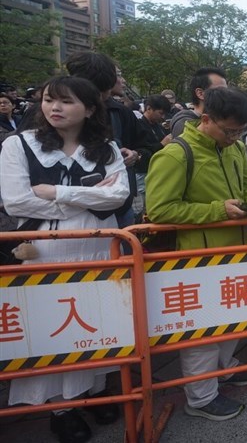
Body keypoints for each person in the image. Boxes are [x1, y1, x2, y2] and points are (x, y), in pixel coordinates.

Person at [0, 76, 130, 443]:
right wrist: (90, 193)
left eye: (66, 102)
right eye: (48, 100)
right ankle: (60, 407)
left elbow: (118, 196)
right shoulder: (18, 145)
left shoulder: (106, 148)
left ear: (89, 109)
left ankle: (94, 390)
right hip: (46, 250)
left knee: (95, 322)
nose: (54, 108)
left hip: (98, 248)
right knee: (55, 324)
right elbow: (17, 201)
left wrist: (57, 191)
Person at [145, 88, 247, 421]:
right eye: (228, 130)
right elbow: (158, 209)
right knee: (202, 331)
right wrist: (217, 211)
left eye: (239, 131)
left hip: (235, 252)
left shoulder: (236, 148)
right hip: (196, 260)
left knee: (231, 319)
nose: (234, 137)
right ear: (205, 119)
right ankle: (200, 397)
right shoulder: (175, 155)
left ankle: (224, 369)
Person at [65, 52, 151, 230]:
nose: (122, 80)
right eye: (118, 75)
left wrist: (136, 155)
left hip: (118, 212)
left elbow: (148, 147)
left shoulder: (120, 113)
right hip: (63, 216)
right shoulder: (46, 116)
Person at [133, 95, 173, 219]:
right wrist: (161, 144)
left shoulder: (159, 127)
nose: (163, 117)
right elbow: (141, 151)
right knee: (144, 208)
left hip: (159, 173)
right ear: (149, 108)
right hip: (143, 173)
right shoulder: (138, 126)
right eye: (160, 113)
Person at [169, 67, 228, 137]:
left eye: (226, 91)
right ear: (200, 93)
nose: (226, 95)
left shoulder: (219, 119)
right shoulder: (185, 125)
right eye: (220, 91)